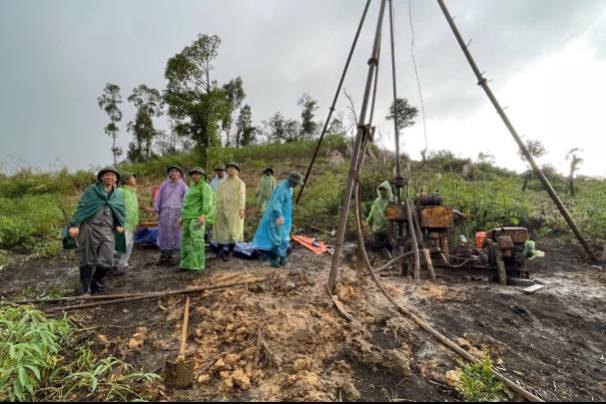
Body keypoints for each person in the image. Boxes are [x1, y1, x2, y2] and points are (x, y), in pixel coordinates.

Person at [65, 167, 126, 294]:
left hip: (107, 230)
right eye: (107, 175)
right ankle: (85, 286)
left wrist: (119, 224)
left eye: (113, 175)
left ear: (116, 179)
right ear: (101, 177)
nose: (110, 177)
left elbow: (119, 210)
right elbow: (83, 207)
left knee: (107, 260)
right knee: (88, 258)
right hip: (91, 228)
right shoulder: (92, 190)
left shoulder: (117, 194)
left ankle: (96, 281)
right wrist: (75, 225)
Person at [252, 172, 304, 268]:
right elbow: (276, 203)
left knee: (284, 236)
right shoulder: (281, 188)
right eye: (296, 183)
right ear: (292, 181)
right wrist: (279, 215)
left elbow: (286, 202)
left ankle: (282, 256)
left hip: (285, 215)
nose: (296, 185)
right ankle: (274, 259)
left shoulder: (289, 188)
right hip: (276, 216)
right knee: (277, 237)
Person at [178, 168, 216, 272]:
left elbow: (207, 201)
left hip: (197, 217)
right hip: (187, 217)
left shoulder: (205, 187)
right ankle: (186, 264)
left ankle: (197, 265)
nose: (194, 176)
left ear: (202, 176)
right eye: (193, 174)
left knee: (196, 241)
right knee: (185, 240)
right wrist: (182, 216)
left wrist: (204, 214)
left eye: (197, 174)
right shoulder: (191, 187)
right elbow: (186, 203)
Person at [154, 166, 187, 264]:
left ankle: (174, 255)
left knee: (176, 233)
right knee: (163, 233)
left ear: (180, 173)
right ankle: (163, 254)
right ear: (169, 174)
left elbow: (186, 201)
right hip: (165, 213)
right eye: (172, 171)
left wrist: (183, 215)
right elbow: (158, 198)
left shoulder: (183, 186)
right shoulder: (164, 184)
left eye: (176, 171)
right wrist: (157, 211)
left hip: (177, 213)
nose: (174, 173)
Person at [213, 162, 246, 261]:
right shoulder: (222, 182)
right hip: (221, 210)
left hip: (234, 211)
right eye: (229, 168)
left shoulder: (240, 183)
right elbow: (217, 195)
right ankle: (220, 250)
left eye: (233, 168)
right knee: (220, 230)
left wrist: (242, 209)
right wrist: (215, 207)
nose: (231, 170)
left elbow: (242, 197)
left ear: (237, 171)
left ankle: (230, 252)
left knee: (232, 231)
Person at [113, 173, 139, 274]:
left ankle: (122, 265)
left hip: (131, 224)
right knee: (119, 246)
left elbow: (133, 210)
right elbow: (114, 206)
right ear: (126, 180)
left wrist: (135, 223)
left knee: (128, 246)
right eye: (132, 178)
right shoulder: (120, 191)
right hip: (122, 224)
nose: (135, 179)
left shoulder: (133, 193)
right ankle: (112, 266)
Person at [366, 181, 394, 250]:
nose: (382, 192)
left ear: (388, 190)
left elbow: (394, 216)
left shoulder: (393, 201)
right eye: (381, 190)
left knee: (389, 248)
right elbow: (372, 213)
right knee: (378, 249)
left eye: (384, 190)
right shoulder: (377, 201)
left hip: (389, 231)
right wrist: (367, 221)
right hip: (378, 230)